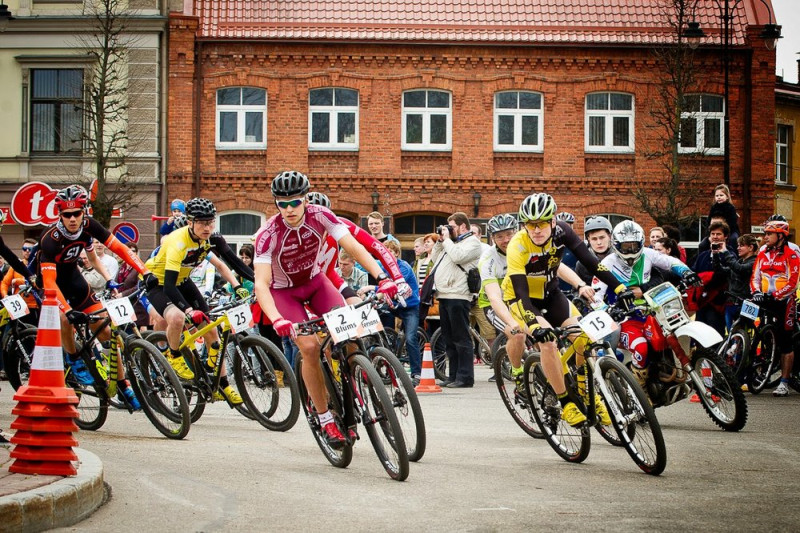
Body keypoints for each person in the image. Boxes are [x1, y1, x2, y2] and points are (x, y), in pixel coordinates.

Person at [253, 171, 399, 448]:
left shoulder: (321, 215)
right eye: (281, 204)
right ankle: (324, 418)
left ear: (305, 199)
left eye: (294, 202)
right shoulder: (268, 234)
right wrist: (277, 320)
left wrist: (381, 278)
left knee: (349, 334)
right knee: (308, 347)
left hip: (317, 283)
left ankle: (353, 379)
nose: (288, 209)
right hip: (284, 293)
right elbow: (261, 284)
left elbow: (354, 247)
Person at [501, 193, 633, 427]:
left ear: (553, 221)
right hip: (522, 300)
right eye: (530, 224)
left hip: (552, 294)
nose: (536, 229)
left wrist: (621, 287)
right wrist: (534, 326)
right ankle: (565, 403)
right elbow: (521, 293)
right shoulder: (517, 246)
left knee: (583, 338)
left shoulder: (562, 231)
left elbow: (593, 263)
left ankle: (585, 387)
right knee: (548, 343)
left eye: (542, 223)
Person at [37, 185, 157, 409]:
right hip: (50, 283)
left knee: (105, 329)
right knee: (65, 319)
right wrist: (67, 309)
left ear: (84, 212)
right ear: (60, 214)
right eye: (66, 215)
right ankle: (74, 358)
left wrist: (145, 271)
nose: (72, 219)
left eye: (77, 214)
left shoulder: (90, 226)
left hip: (74, 280)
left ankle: (123, 385)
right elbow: (50, 282)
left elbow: (121, 249)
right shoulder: (50, 239)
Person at [145, 197, 254, 405]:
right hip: (159, 283)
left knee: (212, 329)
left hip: (183, 281)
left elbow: (234, 263)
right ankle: (174, 355)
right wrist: (187, 310)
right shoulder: (176, 242)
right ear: (190, 222)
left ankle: (222, 385)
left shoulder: (213, 239)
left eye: (211, 222)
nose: (207, 227)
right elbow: (168, 286)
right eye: (202, 223)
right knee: (177, 318)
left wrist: (254, 283)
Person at [593, 220, 699, 390]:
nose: (630, 251)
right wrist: (607, 311)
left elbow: (670, 262)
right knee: (641, 347)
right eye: (626, 246)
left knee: (670, 335)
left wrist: (687, 272)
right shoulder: (606, 263)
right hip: (624, 318)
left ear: (641, 243)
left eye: (634, 246)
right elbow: (595, 296)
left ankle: (673, 371)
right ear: (616, 245)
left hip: (652, 312)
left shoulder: (649, 254)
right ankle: (639, 390)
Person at [429, 212, 482, 388]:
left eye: (451, 227)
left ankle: (465, 377)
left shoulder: (472, 242)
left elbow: (458, 257)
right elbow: (435, 260)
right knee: (449, 339)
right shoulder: (450, 243)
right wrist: (439, 242)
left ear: (463, 227)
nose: (448, 230)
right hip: (444, 294)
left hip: (459, 296)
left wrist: (447, 240)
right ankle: (453, 376)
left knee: (461, 338)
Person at [358, 239, 422, 385]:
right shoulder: (382, 267)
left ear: (397, 253)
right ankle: (381, 357)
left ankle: (417, 374)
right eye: (384, 253)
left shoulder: (403, 267)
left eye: (390, 252)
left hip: (409, 307)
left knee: (411, 338)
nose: (386, 256)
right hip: (393, 305)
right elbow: (367, 267)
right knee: (374, 325)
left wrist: (371, 288)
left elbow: (394, 285)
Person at [750, 218, 800, 397]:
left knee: (785, 340)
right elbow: (755, 275)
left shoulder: (791, 253)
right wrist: (756, 291)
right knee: (751, 324)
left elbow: (793, 282)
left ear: (780, 236)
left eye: (769, 234)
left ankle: (784, 382)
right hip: (763, 298)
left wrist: (777, 295)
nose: (765, 237)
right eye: (765, 233)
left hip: (784, 301)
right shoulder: (763, 251)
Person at [477, 213, 518, 382]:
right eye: (500, 236)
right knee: (515, 333)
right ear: (493, 239)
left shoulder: (523, 249)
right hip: (493, 303)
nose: (506, 239)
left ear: (516, 232)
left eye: (509, 234)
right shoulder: (488, 259)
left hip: (517, 300)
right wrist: (511, 322)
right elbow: (494, 298)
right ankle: (518, 371)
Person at [691, 220, 732, 336]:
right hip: (701, 301)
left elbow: (723, 276)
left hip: (717, 302)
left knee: (714, 334)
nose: (715, 237)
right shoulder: (702, 255)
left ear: (725, 237)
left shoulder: (730, 254)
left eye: (718, 234)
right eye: (712, 234)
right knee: (699, 334)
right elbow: (694, 271)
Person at [715, 234, 758, 334]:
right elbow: (720, 271)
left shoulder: (755, 262)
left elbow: (740, 269)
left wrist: (726, 252)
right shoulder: (739, 261)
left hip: (747, 302)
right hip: (731, 302)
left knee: (744, 332)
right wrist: (716, 255)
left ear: (751, 247)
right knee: (731, 334)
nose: (738, 248)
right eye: (738, 245)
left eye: (741, 245)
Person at [0, 238, 39, 324]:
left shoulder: (40, 266)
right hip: (20, 306)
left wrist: (20, 280)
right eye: (25, 249)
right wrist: (5, 295)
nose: (27, 251)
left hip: (36, 306)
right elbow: (4, 283)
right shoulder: (15, 267)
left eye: (30, 249)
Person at [575, 215, 614, 285]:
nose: (599, 242)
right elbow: (576, 290)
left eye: (602, 237)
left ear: (609, 236)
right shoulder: (582, 264)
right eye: (594, 239)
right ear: (588, 240)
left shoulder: (620, 259)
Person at [555, 211, 578, 295]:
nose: (564, 230)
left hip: (573, 289)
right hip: (555, 290)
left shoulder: (577, 246)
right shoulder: (550, 246)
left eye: (567, 227)